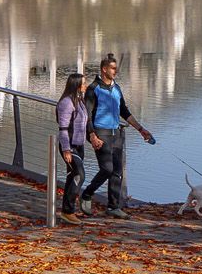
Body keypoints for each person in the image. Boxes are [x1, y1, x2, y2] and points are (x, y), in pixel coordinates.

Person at [81, 53, 153, 219]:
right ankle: (87, 193)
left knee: (117, 172)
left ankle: (113, 206)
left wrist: (141, 130)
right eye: (113, 68)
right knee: (107, 169)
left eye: (116, 68)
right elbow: (87, 115)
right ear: (104, 69)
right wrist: (92, 135)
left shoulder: (116, 88)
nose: (115, 71)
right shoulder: (93, 89)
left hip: (117, 134)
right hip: (101, 133)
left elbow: (124, 111)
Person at [54, 72, 90, 222]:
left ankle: (67, 211)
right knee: (79, 174)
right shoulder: (66, 103)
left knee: (72, 176)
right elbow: (63, 128)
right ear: (76, 85)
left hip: (79, 146)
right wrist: (66, 149)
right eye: (83, 83)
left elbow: (84, 123)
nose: (85, 85)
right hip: (69, 146)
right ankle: (68, 210)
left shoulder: (79, 101)